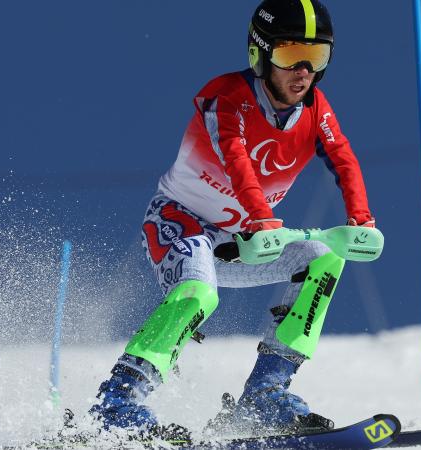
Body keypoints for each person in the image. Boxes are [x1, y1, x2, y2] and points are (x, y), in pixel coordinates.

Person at [89, 0, 376, 440]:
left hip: (239, 243)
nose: (303, 71)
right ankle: (118, 402)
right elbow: (235, 156)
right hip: (179, 222)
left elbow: (343, 158)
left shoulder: (316, 109)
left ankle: (265, 395)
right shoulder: (229, 96)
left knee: (322, 257)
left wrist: (361, 219)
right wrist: (262, 218)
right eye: (290, 54)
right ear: (261, 53)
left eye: (316, 57)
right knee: (197, 293)